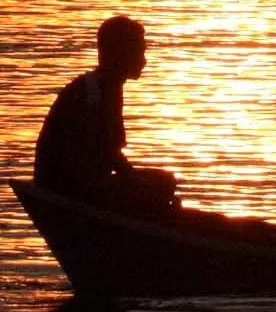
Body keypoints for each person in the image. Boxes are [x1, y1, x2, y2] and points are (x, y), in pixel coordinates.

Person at [34, 15, 179, 214]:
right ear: (120, 53)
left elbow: (110, 153)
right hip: (69, 187)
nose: (144, 60)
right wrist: (138, 183)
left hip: (85, 181)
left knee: (163, 182)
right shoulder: (94, 93)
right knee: (158, 187)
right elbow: (107, 153)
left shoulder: (109, 88)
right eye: (139, 51)